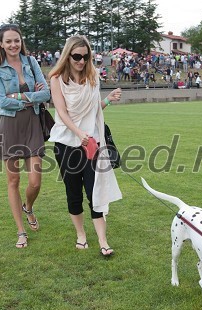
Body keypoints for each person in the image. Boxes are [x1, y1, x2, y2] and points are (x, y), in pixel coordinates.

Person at [48, 35, 122, 257]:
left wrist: (107, 100)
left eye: (85, 56)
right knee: (73, 193)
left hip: (91, 143)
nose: (81, 61)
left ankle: (102, 240)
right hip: (66, 143)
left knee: (95, 191)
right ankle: (81, 234)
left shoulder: (93, 77)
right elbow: (62, 112)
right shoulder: (57, 79)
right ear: (68, 55)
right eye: (77, 56)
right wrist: (79, 133)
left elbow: (93, 110)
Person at [0, 23, 50, 249]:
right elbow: (2, 101)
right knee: (13, 180)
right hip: (9, 126)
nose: (13, 45)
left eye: (17, 40)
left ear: (21, 41)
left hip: (33, 123)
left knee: (35, 182)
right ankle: (21, 231)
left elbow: (46, 93)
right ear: (1, 44)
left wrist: (21, 96)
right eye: (9, 41)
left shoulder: (31, 62)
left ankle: (29, 207)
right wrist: (31, 95)